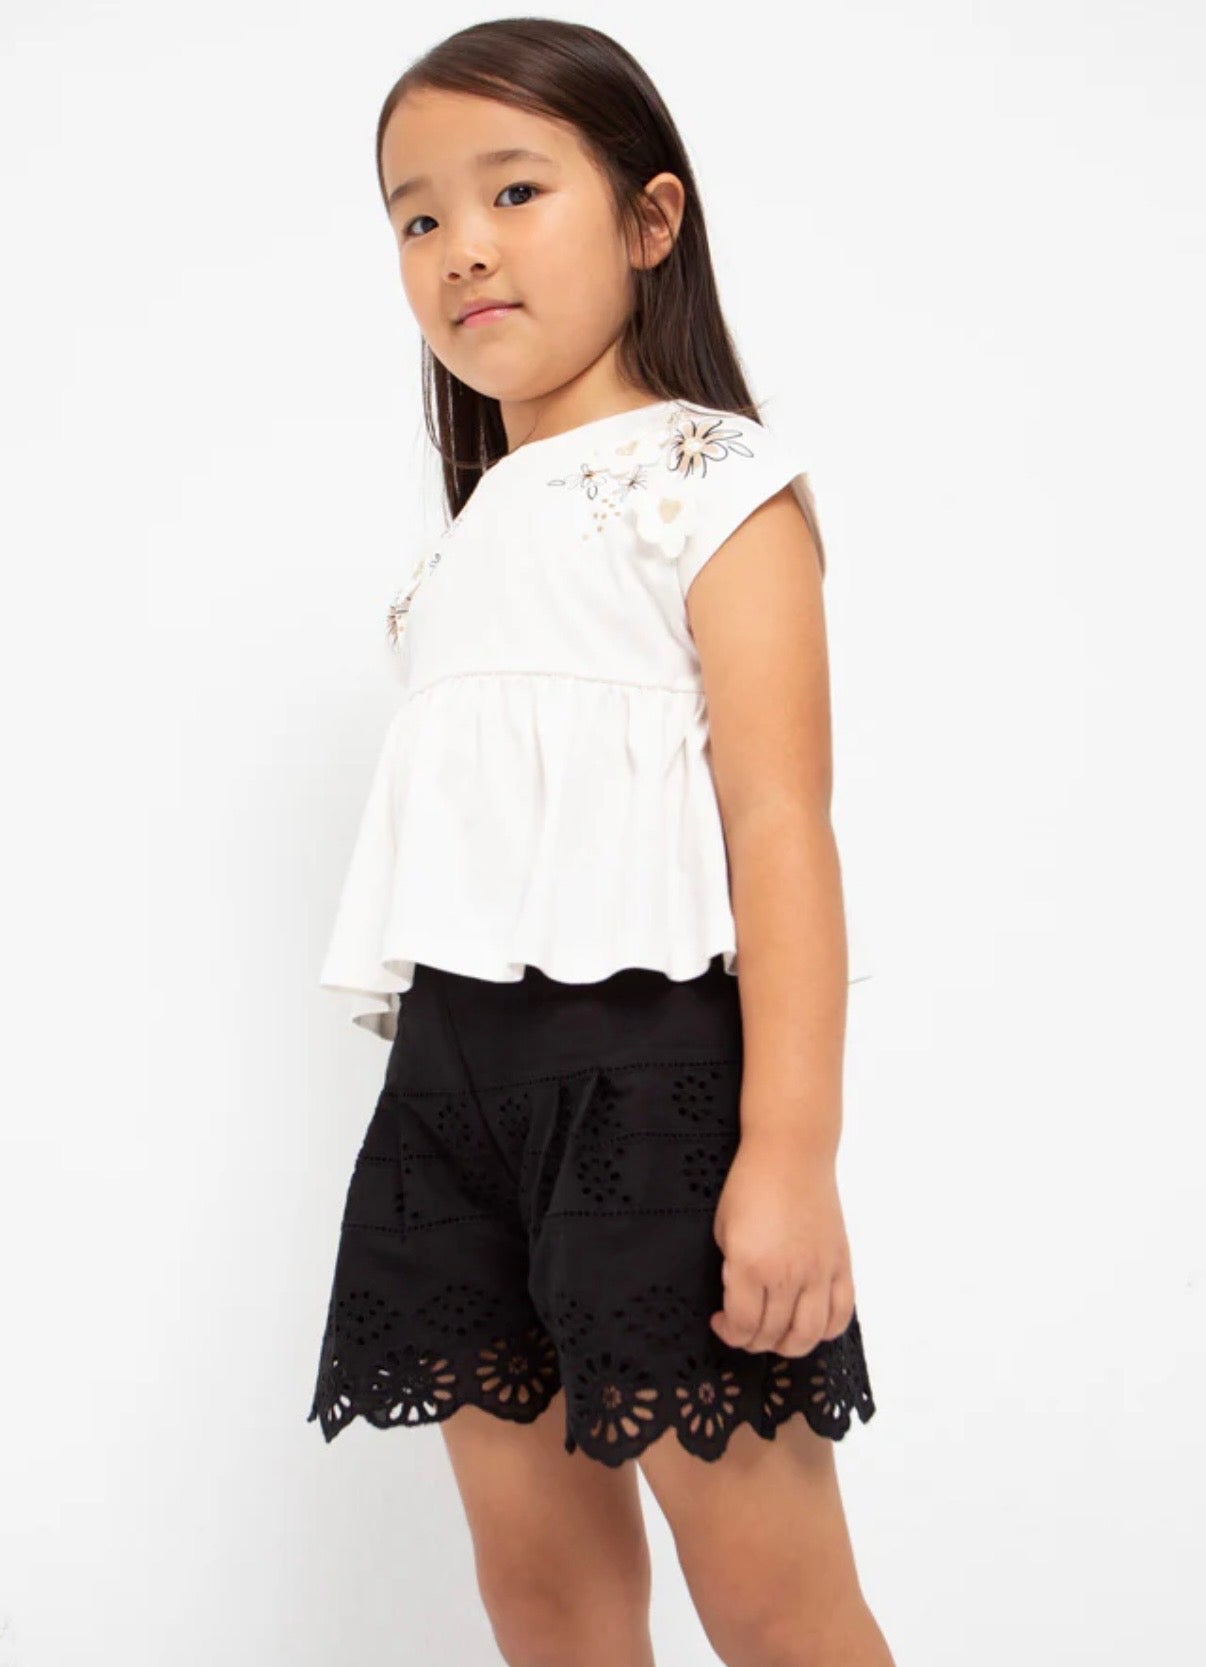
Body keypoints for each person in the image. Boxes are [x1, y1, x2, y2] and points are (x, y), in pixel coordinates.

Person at [307, 17, 896, 1667]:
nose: (461, 246)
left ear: (649, 219)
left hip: (650, 1085)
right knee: (540, 1591)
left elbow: (778, 826)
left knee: (770, 1599)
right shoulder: (454, 553)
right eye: (418, 216)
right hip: (449, 1094)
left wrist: (788, 1154)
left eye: (513, 191)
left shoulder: (712, 482)